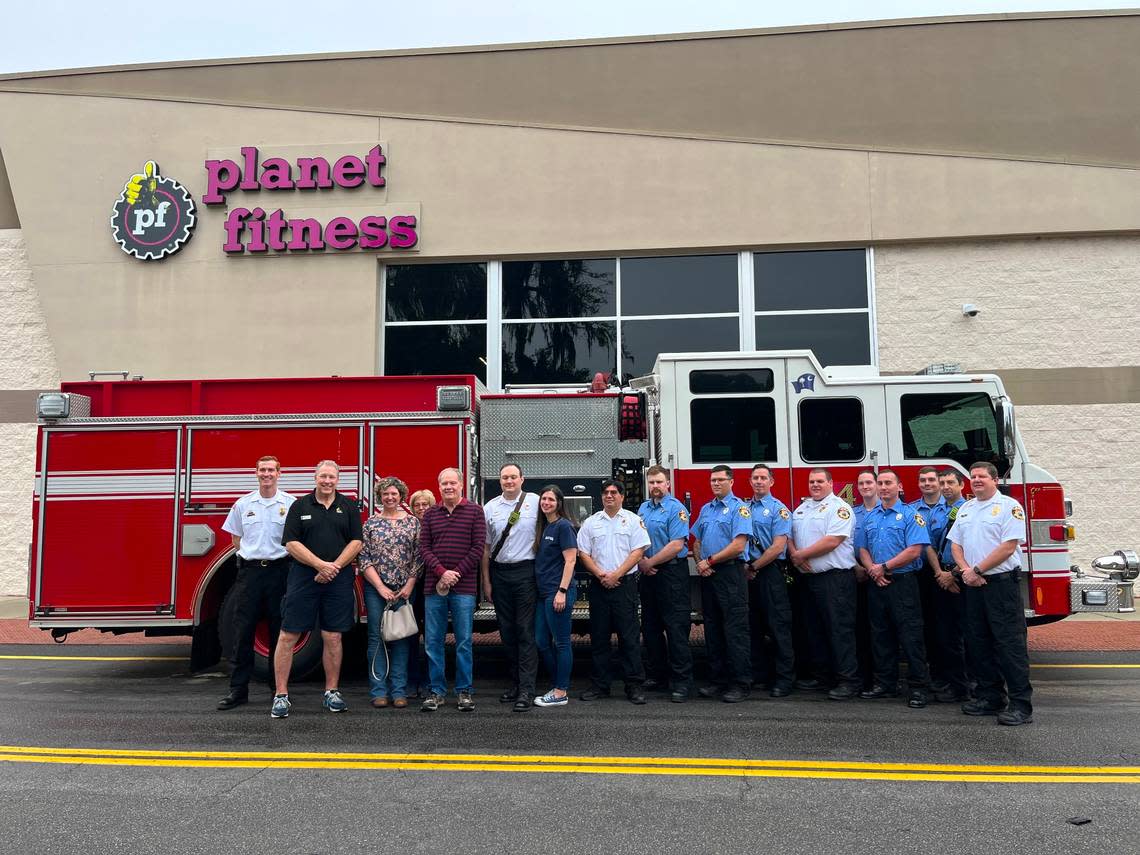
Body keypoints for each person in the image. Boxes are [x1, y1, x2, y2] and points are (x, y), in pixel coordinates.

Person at [272, 460, 363, 718]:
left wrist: (334, 567)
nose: (327, 481)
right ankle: (281, 695)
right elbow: (290, 543)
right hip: (303, 578)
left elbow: (357, 541)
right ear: (315, 477)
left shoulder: (348, 506)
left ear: (338, 479)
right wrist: (320, 565)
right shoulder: (299, 506)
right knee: (288, 636)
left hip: (338, 579)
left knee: (332, 636)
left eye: (331, 477)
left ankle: (331, 692)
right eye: (323, 476)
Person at [948, 461, 1033, 726]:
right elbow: (956, 545)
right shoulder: (966, 508)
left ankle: (1021, 705)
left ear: (995, 480)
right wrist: (966, 572)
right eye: (972, 477)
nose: (976, 480)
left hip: (1001, 585)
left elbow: (1008, 547)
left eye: (982, 476)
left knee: (1009, 645)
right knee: (978, 643)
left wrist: (976, 570)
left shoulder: (1010, 507)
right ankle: (990, 697)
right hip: (973, 585)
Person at [217, 455, 295, 711]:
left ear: (279, 473)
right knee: (243, 633)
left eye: (271, 470)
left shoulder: (290, 504)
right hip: (249, 574)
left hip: (279, 572)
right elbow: (236, 541)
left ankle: (278, 691)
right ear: (256, 473)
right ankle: (238, 691)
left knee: (278, 634)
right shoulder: (243, 504)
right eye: (262, 470)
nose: (267, 474)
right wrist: (253, 557)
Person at [855, 469, 932, 708]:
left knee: (910, 636)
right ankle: (885, 683)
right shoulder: (870, 517)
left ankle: (919, 688)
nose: (884, 487)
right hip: (877, 583)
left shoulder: (911, 515)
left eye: (889, 483)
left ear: (899, 487)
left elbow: (915, 550)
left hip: (902, 582)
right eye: (880, 483)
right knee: (880, 635)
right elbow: (863, 549)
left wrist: (884, 567)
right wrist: (873, 570)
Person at [788, 468, 860, 701]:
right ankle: (823, 677)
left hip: (835, 579)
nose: (815, 485)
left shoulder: (839, 508)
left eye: (820, 481)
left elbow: (833, 540)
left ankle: (848, 680)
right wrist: (795, 555)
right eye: (812, 481)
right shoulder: (802, 508)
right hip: (809, 579)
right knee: (814, 629)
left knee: (839, 630)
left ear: (830, 483)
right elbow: (789, 536)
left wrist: (801, 556)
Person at [577, 479, 650, 704]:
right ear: (601, 497)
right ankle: (600, 685)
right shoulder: (590, 523)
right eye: (606, 492)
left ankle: (634, 686)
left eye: (614, 492)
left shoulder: (633, 520)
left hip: (624, 585)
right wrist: (601, 575)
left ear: (622, 496)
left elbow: (638, 552)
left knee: (629, 638)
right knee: (599, 638)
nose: (609, 496)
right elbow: (583, 554)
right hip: (599, 586)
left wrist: (617, 574)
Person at [419, 467, 486, 712]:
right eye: (444, 483)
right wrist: (441, 573)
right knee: (433, 641)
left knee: (464, 641)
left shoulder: (475, 511)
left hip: (464, 587)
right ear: (439, 487)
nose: (448, 487)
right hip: (434, 587)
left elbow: (478, 548)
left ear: (461, 485)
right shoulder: (430, 514)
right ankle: (436, 692)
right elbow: (424, 548)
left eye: (452, 483)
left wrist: (454, 574)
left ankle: (464, 691)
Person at [480, 463, 540, 712]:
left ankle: (527, 689)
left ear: (522, 479)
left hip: (526, 572)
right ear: (500, 480)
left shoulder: (536, 502)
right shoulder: (490, 507)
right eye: (505, 477)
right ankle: (515, 683)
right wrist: (486, 581)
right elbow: (485, 547)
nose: (509, 481)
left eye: (513, 477)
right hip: (500, 573)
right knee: (507, 631)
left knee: (525, 631)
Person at [691, 465, 753, 703]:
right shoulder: (707, 509)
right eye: (712, 480)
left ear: (731, 481)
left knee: (735, 630)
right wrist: (700, 562)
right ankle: (718, 681)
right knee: (713, 629)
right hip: (710, 575)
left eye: (720, 480)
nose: (715, 483)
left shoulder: (740, 509)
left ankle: (740, 683)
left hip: (730, 574)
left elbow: (738, 545)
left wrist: (710, 561)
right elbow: (696, 540)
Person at [359, 476, 421, 709]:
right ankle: (378, 691)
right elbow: (364, 558)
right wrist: (381, 587)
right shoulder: (371, 524)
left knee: (402, 638)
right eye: (386, 494)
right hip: (378, 590)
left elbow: (418, 557)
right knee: (377, 639)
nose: (390, 497)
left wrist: (409, 586)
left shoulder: (413, 523)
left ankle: (398, 691)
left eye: (394, 493)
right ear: (380, 497)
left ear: (401, 495)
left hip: (405, 591)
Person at [636, 465, 694, 703]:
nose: (655, 487)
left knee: (676, 629)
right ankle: (656, 675)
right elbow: (637, 538)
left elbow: (677, 545)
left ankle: (681, 682)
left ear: (668, 484)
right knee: (650, 628)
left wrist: (649, 563)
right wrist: (641, 560)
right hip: (648, 575)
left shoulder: (677, 509)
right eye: (651, 483)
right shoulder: (643, 508)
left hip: (671, 574)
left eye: (659, 482)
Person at [744, 464, 795, 698]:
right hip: (747, 572)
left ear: (772, 482)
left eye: (763, 478)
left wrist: (754, 566)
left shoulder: (779, 510)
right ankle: (759, 674)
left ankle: (784, 679)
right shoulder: (743, 508)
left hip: (769, 572)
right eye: (755, 478)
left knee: (778, 627)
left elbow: (777, 547)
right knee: (751, 626)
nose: (759, 482)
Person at [532, 486, 579, 708]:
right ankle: (556, 683)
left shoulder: (563, 526)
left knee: (561, 643)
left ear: (559, 503)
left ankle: (561, 691)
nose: (546, 502)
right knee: (541, 641)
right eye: (544, 499)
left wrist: (562, 591)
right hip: (544, 594)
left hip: (557, 592)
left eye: (551, 499)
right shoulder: (545, 526)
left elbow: (570, 560)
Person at [912, 465, 953, 697]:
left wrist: (940, 572)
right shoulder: (911, 510)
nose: (927, 484)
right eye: (922, 480)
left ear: (938, 483)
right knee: (923, 624)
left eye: (931, 480)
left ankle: (946, 676)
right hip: (918, 573)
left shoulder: (950, 510)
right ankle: (930, 674)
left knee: (945, 627)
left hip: (942, 573)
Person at [931, 468, 970, 702]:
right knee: (946, 635)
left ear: (961, 485)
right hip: (943, 577)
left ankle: (968, 686)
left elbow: (972, 546)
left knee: (967, 634)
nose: (946, 487)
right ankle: (955, 685)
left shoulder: (968, 510)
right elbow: (930, 545)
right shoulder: (936, 512)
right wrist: (940, 574)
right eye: (942, 483)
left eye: (950, 483)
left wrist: (954, 575)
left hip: (961, 577)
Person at [850, 468, 879, 693]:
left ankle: (883, 677)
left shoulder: (886, 510)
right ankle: (865, 676)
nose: (865, 487)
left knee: (882, 629)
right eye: (861, 484)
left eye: (869, 482)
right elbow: (847, 545)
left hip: (884, 577)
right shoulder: (852, 513)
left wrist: (876, 570)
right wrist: (858, 567)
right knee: (861, 628)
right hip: (859, 575)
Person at [406, 489, 436, 698]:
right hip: (411, 585)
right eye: (417, 505)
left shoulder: (437, 524)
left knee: (432, 636)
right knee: (410, 635)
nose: (422, 508)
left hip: (432, 585)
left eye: (426, 504)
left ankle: (428, 682)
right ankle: (410, 681)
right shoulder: (407, 525)